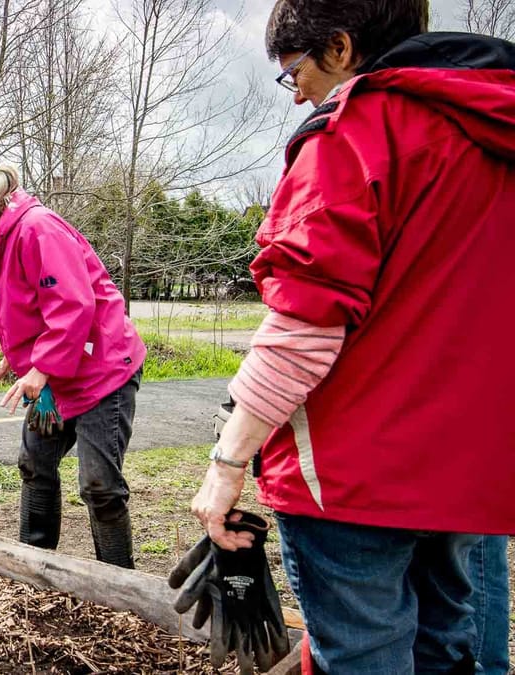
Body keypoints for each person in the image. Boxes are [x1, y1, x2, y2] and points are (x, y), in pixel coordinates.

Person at [188, 2, 515, 672]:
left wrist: (226, 464)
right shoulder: (492, 131)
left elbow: (305, 325)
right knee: (446, 646)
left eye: (296, 72)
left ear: (340, 47)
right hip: (467, 470)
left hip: (351, 473)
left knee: (363, 653)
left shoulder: (356, 132)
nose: (298, 91)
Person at [0, 166, 146, 568]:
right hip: (55, 374)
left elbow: (73, 306)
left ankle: (119, 582)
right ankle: (35, 565)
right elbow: (28, 313)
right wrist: (14, 360)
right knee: (35, 464)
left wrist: (39, 369)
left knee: (99, 485)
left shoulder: (37, 230)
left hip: (102, 371)